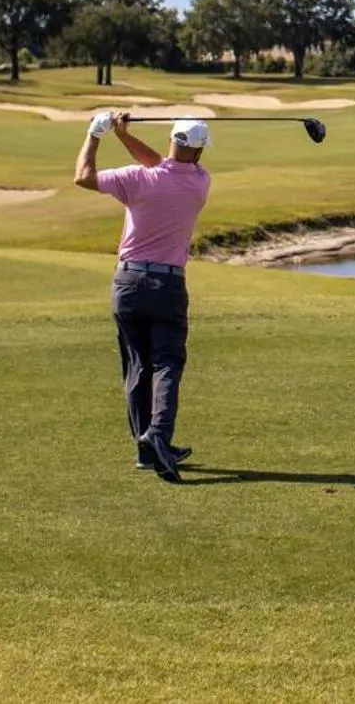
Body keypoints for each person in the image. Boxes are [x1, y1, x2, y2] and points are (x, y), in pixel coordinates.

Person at [74, 111, 213, 484]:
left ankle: (145, 449)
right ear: (199, 153)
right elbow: (165, 165)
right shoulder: (201, 182)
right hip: (168, 286)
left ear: (171, 140)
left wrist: (98, 134)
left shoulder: (137, 179)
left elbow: (83, 176)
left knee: (137, 366)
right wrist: (123, 135)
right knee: (167, 363)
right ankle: (158, 438)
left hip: (128, 283)